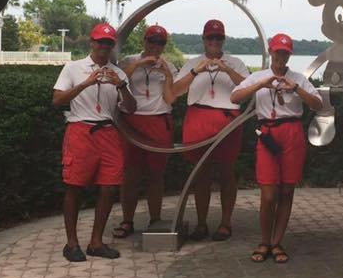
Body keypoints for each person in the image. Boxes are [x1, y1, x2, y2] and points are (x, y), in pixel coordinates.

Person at [230, 34, 322, 264]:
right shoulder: (258, 76)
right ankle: (264, 239)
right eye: (277, 52)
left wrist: (296, 89)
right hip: (268, 133)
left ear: (290, 55)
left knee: (287, 191)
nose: (281, 56)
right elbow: (235, 97)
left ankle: (277, 241)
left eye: (285, 53)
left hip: (291, 131)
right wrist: (261, 84)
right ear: (271, 52)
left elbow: (318, 104)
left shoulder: (298, 78)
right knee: (269, 193)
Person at [52, 23, 137, 262]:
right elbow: (57, 100)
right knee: (74, 186)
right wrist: (86, 83)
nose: (103, 47)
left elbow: (131, 108)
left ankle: (96, 242)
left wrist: (120, 85)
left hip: (108, 131)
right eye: (100, 42)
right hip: (81, 129)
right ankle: (71, 243)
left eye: (108, 43)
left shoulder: (118, 73)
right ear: (92, 42)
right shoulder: (74, 68)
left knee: (110, 187)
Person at [168, 19, 249, 241]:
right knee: (200, 174)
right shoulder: (192, 63)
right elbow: (174, 92)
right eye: (210, 37)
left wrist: (228, 70)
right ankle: (201, 223)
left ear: (223, 40)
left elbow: (249, 88)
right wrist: (196, 72)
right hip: (198, 117)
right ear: (203, 39)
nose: (214, 41)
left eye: (218, 38)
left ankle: (225, 223)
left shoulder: (235, 62)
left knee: (226, 172)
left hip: (227, 118)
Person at [113, 24, 176, 239]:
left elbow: (171, 98)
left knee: (156, 174)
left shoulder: (169, 65)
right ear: (144, 41)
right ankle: (127, 220)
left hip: (159, 121)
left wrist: (167, 74)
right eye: (152, 41)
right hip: (132, 120)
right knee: (130, 174)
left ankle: (155, 219)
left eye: (160, 43)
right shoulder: (129, 61)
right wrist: (141, 63)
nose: (155, 47)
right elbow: (118, 80)